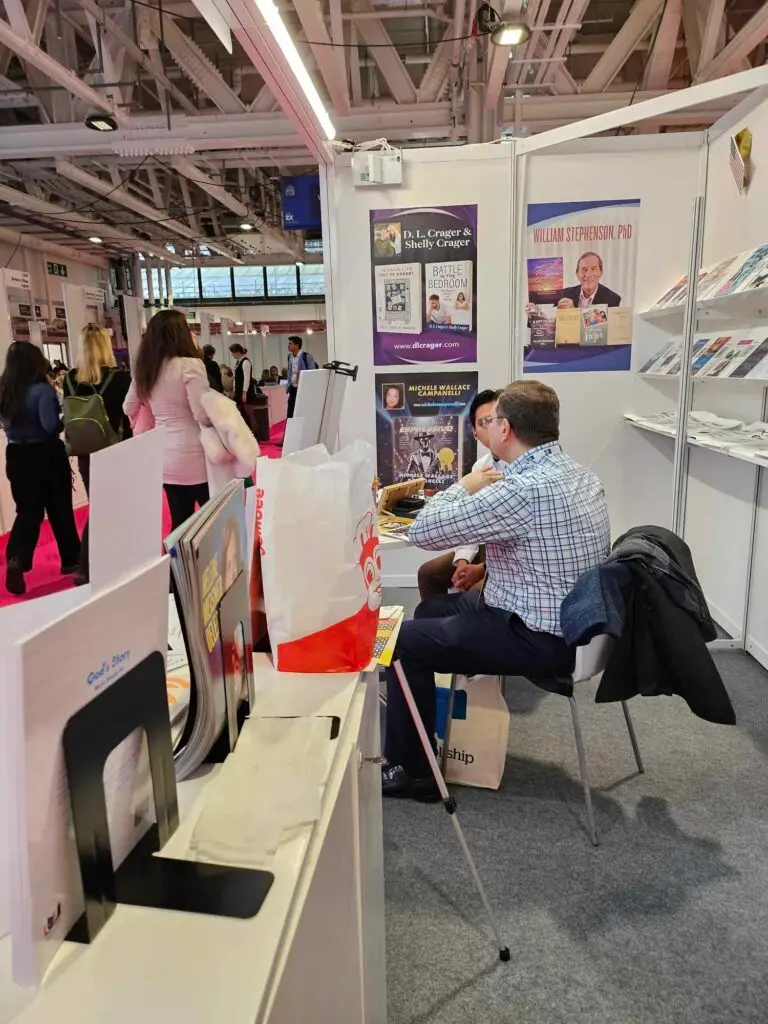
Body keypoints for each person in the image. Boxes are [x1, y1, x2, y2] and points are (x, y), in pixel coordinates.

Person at [381, 380, 611, 801]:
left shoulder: (520, 490)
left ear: (504, 429)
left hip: (537, 635)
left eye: (493, 421)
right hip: (576, 626)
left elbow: (422, 530)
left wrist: (466, 483)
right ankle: (429, 729)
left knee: (402, 642)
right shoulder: (581, 475)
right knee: (430, 615)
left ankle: (414, 773)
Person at [0, 341, 81, 595]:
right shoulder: (42, 391)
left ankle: (17, 557)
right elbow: (49, 426)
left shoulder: (4, 391)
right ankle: (71, 560)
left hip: (16, 454)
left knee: (27, 511)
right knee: (60, 509)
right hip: (46, 454)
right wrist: (65, 419)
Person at [124, 309, 212, 532]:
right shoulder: (190, 365)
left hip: (164, 454)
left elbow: (128, 407)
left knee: (179, 520)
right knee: (211, 520)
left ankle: (175, 567)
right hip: (195, 452)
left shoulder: (146, 369)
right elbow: (201, 413)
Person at [417, 389, 500, 601]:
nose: (492, 427)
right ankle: (436, 628)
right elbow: (469, 521)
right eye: (484, 422)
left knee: (474, 594)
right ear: (475, 433)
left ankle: (461, 625)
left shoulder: (521, 468)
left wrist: (481, 569)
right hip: (484, 544)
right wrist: (462, 561)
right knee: (429, 573)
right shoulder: (481, 467)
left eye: (496, 419)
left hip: (506, 554)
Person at [66, 324, 132, 585]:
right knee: (118, 509)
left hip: (85, 452)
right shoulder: (120, 378)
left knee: (99, 508)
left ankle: (88, 565)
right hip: (116, 450)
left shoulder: (71, 379)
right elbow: (128, 417)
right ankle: (103, 563)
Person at [556, 251, 622, 309]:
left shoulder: (613, 299)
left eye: (593, 269)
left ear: (601, 272)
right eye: (584, 269)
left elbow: (606, 323)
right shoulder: (564, 295)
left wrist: (574, 312)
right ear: (577, 273)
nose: (588, 275)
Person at [286, 336, 316, 418]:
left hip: (303, 388)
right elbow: (289, 371)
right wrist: (288, 386)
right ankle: (291, 429)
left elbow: (312, 373)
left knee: (302, 411)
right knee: (290, 412)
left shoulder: (306, 356)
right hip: (292, 388)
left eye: (290, 344)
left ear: (297, 345)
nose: (288, 346)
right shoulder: (289, 357)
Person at [228, 342, 258, 423]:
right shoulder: (238, 362)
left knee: (250, 414)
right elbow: (236, 378)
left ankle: (255, 433)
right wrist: (234, 390)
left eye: (232, 353)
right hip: (239, 392)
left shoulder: (245, 362)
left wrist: (244, 393)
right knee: (241, 415)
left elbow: (247, 378)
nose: (232, 355)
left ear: (237, 352)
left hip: (246, 392)